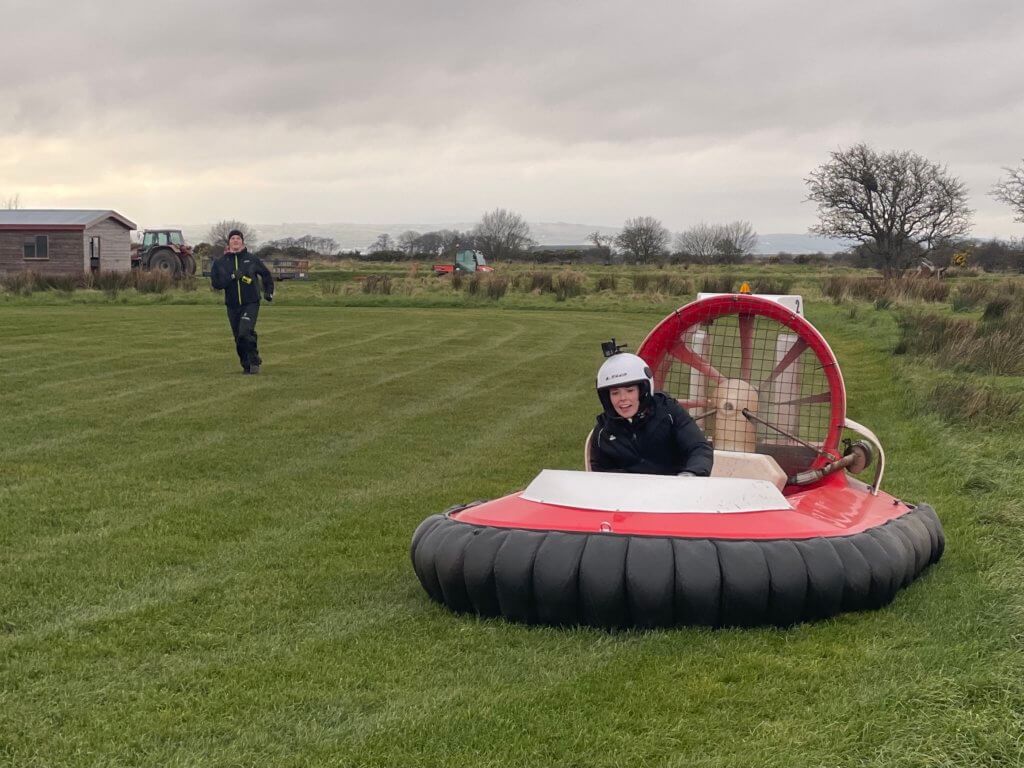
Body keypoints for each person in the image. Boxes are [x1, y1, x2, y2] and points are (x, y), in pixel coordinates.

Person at [589, 350, 713, 476]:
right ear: (606, 397)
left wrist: (691, 474)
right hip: (629, 493)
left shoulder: (669, 412)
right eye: (615, 393)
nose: (622, 398)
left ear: (643, 391)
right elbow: (601, 475)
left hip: (675, 489)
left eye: (630, 390)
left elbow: (699, 447)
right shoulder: (603, 432)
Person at [210, 229, 274, 374]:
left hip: (251, 302)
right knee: (239, 337)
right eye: (232, 238)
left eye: (238, 238)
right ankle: (246, 364)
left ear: (242, 241)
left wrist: (268, 292)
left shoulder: (251, 259)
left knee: (245, 331)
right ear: (229, 243)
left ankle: (254, 360)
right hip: (232, 305)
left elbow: (266, 275)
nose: (235, 241)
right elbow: (216, 284)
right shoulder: (221, 263)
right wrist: (232, 276)